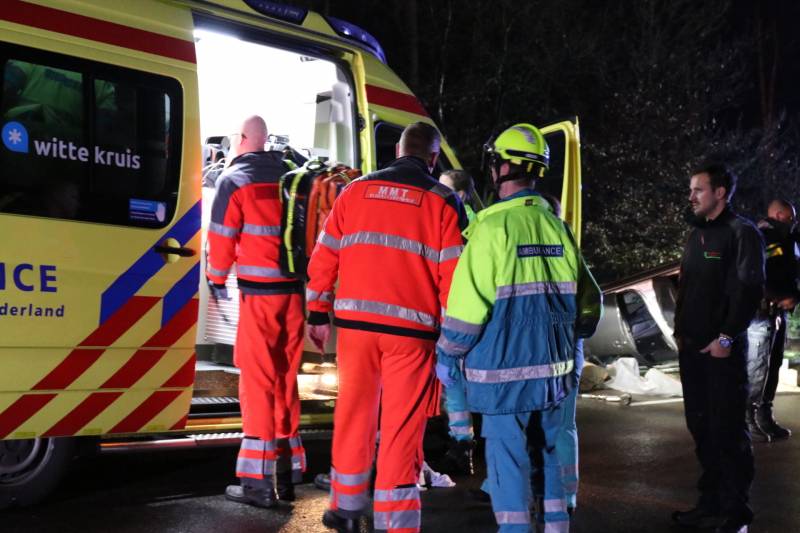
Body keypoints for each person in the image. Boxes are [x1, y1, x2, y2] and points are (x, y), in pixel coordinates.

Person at [436, 123, 602, 532]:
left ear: (504, 167)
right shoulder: (557, 229)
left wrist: (447, 354)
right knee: (549, 460)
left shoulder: (491, 230)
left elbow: (465, 316)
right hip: (554, 376)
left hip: (502, 379)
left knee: (508, 467)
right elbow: (589, 306)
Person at [305, 122, 467, 533]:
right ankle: (395, 523)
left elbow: (325, 255)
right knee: (400, 427)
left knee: (353, 414)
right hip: (411, 336)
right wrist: (453, 338)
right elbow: (453, 276)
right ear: (433, 159)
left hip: (357, 329)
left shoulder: (355, 190)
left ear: (397, 150)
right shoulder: (443, 200)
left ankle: (345, 507)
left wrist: (318, 313)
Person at [206, 115, 306, 509]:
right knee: (285, 378)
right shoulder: (289, 176)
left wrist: (215, 277)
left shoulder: (234, 181)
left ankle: (256, 482)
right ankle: (288, 469)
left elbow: (222, 238)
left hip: (258, 297)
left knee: (258, 382)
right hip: (294, 295)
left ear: (243, 139)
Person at [672, 164, 765, 533]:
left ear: (721, 192)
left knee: (727, 430)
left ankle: (736, 511)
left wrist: (726, 337)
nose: (691, 196)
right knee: (701, 428)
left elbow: (748, 290)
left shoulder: (741, 233)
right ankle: (709, 503)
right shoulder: (697, 234)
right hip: (692, 349)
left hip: (721, 352)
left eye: (698, 190)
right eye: (691, 189)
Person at [436, 169, 478, 476]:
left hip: (460, 314)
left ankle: (462, 445)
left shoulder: (474, 226)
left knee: (452, 379)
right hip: (446, 311)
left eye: (445, 189)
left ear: (461, 195)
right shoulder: (450, 218)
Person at [746, 198, 798, 441]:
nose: (793, 222)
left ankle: (764, 417)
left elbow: (788, 272)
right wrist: (779, 297)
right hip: (761, 313)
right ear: (778, 215)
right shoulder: (762, 237)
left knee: (772, 367)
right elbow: (757, 275)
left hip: (778, 313)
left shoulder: (787, 240)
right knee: (757, 367)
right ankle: (747, 420)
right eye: (790, 218)